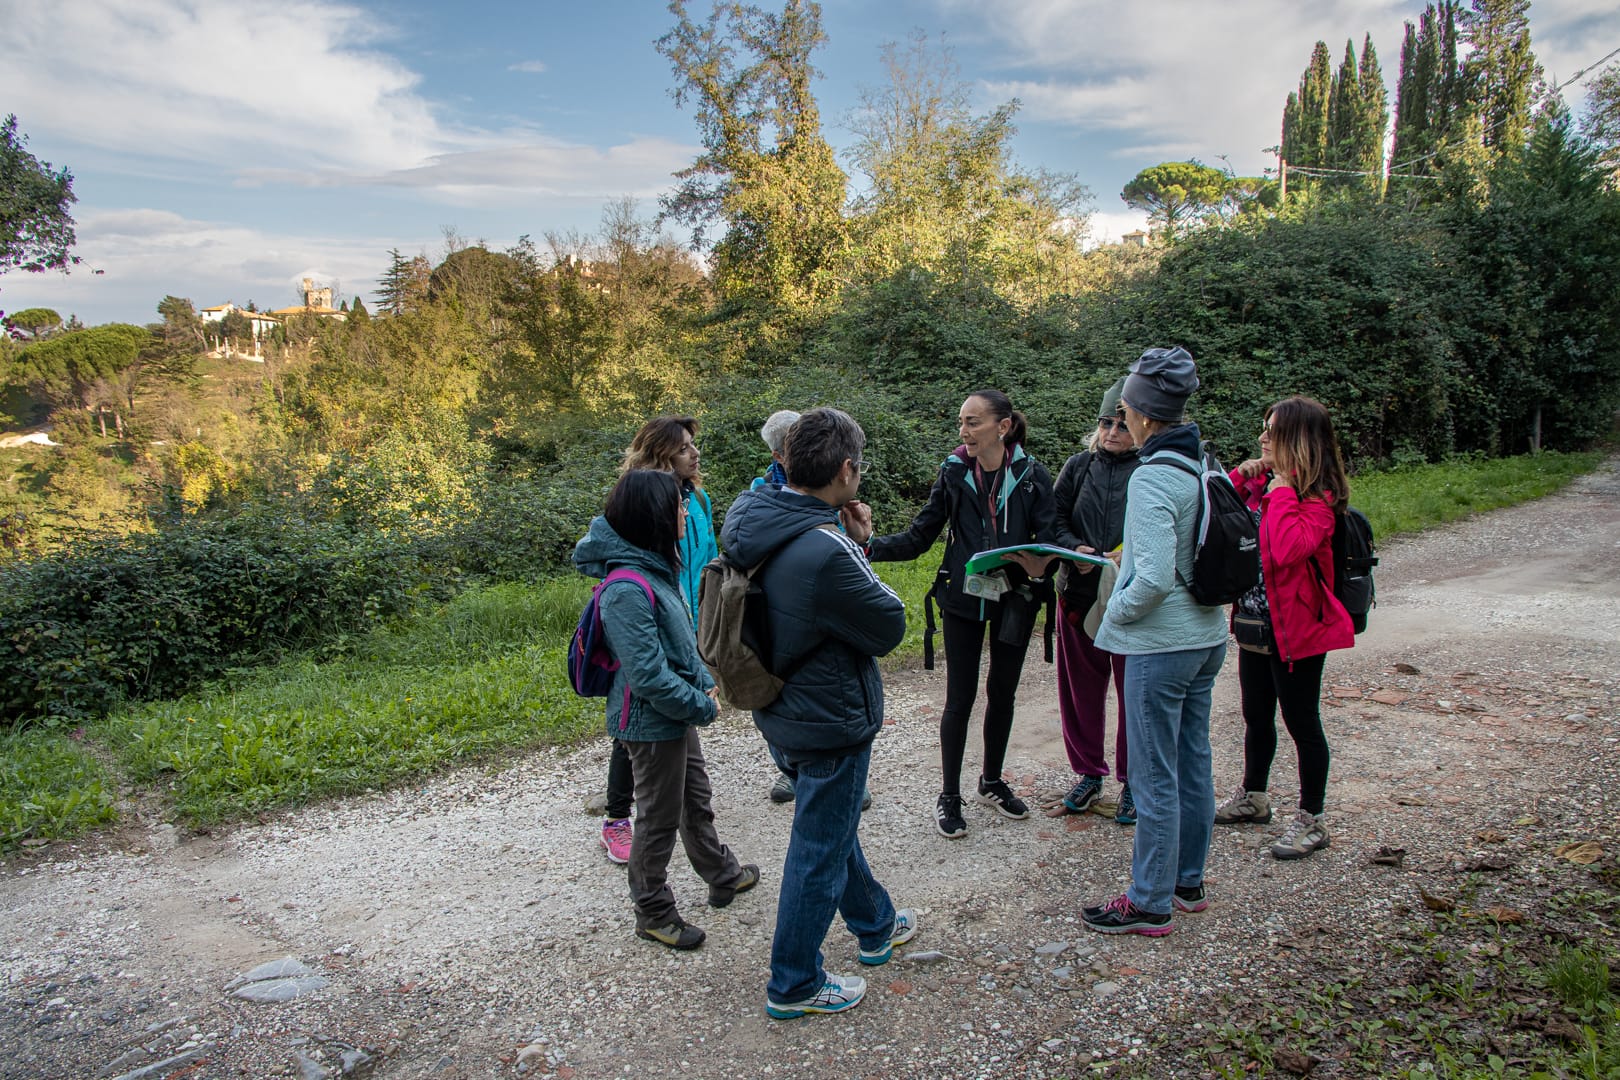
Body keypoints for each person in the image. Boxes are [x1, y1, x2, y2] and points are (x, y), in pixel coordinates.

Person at [720, 407, 915, 1019]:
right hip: (828, 714)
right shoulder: (825, 547)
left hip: (778, 703)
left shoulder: (752, 516)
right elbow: (889, 623)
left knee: (827, 828)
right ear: (847, 469)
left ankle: (875, 924)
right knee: (817, 845)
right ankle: (795, 981)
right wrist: (856, 542)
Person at [573, 469, 758, 950]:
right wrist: (701, 705)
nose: (685, 514)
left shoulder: (657, 569)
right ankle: (653, 911)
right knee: (657, 818)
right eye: (678, 507)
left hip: (672, 714)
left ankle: (723, 873)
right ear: (654, 515)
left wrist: (702, 682)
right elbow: (648, 675)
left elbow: (680, 646)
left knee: (695, 800)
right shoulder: (626, 589)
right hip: (650, 722)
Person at [865, 390, 1056, 839]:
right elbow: (920, 536)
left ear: (1002, 427)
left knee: (1003, 693)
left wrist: (1042, 565)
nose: (963, 432)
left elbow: (1050, 538)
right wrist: (866, 546)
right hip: (963, 596)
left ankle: (990, 782)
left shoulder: (1032, 476)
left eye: (973, 422)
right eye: (961, 422)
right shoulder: (953, 473)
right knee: (960, 698)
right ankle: (949, 795)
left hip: (1014, 598)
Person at [1082, 347, 1228, 937]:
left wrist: (1114, 608)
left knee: (1152, 774)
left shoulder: (1152, 475)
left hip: (1160, 644)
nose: (1123, 419)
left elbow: (1155, 575)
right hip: (1206, 637)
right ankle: (1186, 880)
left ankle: (1149, 900)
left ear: (1142, 413)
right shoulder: (1201, 465)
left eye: (1126, 410)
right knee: (1193, 759)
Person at [1214, 396, 1355, 860]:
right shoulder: (1268, 488)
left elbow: (1283, 550)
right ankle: (1254, 797)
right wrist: (1242, 477)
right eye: (1264, 428)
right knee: (1256, 715)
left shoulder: (1318, 498)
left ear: (1298, 439)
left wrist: (1279, 491)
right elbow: (1219, 515)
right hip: (1255, 623)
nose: (1263, 438)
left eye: (1273, 431)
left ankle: (1312, 819)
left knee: (1302, 722)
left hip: (1297, 632)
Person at [597, 417, 718, 864]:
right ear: (661, 453)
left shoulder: (695, 498)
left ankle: (714, 862)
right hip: (649, 611)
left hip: (681, 613)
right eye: (684, 447)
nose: (695, 453)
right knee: (637, 724)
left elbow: (705, 558)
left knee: (676, 737)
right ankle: (616, 818)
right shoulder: (639, 499)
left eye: (693, 445)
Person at [1049, 377, 1140, 825]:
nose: (1112, 432)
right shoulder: (1078, 466)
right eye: (1106, 423)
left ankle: (1133, 782)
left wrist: (1129, 553)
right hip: (1078, 593)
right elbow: (1055, 518)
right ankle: (1088, 772)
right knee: (1080, 691)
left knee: (1133, 694)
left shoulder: (1151, 470)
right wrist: (1076, 548)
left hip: (1131, 600)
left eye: (1122, 424)